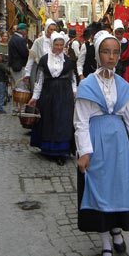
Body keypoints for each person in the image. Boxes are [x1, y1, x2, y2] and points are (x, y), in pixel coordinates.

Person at [74, 30, 129, 256]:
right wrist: (84, 152)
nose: (111, 57)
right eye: (106, 52)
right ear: (97, 54)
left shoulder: (124, 86)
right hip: (96, 145)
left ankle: (116, 229)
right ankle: (105, 243)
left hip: (120, 147)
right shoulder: (87, 86)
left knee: (118, 189)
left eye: (115, 52)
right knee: (99, 191)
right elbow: (81, 121)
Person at [27, 32, 77, 166]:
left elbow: (72, 78)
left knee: (63, 121)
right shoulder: (44, 60)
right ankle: (48, 149)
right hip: (48, 93)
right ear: (52, 45)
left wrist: (74, 91)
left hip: (64, 94)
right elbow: (39, 80)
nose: (59, 47)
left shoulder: (68, 60)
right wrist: (35, 97)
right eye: (56, 45)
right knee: (49, 120)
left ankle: (62, 152)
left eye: (61, 45)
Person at [24, 19, 58, 89]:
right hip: (41, 71)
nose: (52, 32)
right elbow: (31, 57)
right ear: (46, 29)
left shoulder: (57, 42)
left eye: (54, 30)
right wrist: (27, 73)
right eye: (51, 30)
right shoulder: (38, 42)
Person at [8, 23, 30, 114]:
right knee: (21, 87)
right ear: (22, 30)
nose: (27, 32)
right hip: (19, 67)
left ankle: (14, 108)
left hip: (12, 66)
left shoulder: (12, 38)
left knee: (15, 87)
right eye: (26, 30)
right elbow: (25, 53)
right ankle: (21, 109)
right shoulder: (20, 40)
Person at [113, 20, 129, 89]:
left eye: (121, 33)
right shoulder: (111, 42)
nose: (119, 36)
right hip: (114, 69)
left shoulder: (128, 43)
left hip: (127, 70)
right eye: (117, 34)